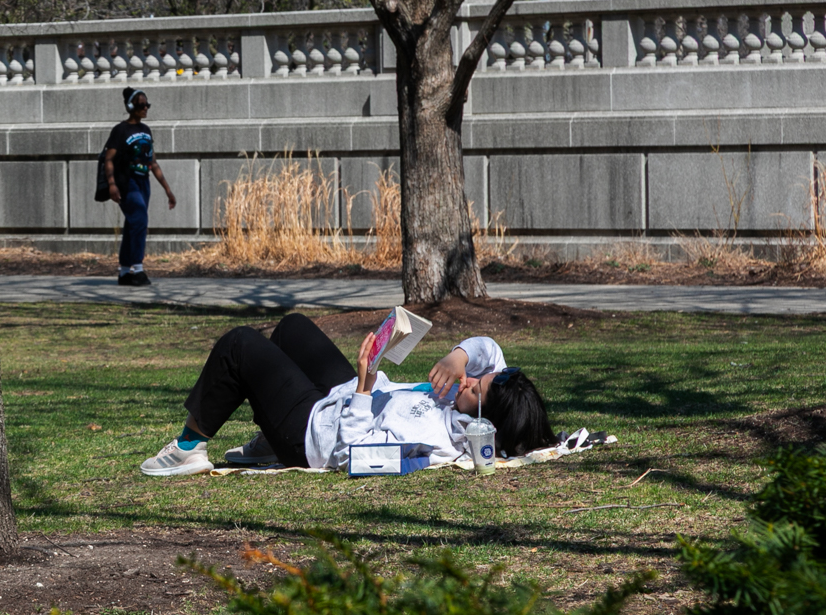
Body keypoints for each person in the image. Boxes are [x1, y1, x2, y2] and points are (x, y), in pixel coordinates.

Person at [140, 313, 557, 476]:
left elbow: (352, 456)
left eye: (475, 388)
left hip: (313, 435)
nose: (467, 381)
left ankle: (188, 448)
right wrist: (459, 355)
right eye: (474, 378)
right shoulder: (464, 403)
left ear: (485, 424)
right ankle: (265, 439)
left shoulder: (430, 444)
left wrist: (363, 387)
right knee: (292, 328)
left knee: (240, 344)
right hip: (342, 397)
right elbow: (492, 352)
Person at [103, 87, 176, 286]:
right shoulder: (120, 130)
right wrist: (112, 185)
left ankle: (125, 272)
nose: (145, 108)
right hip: (126, 182)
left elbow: (152, 162)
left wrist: (167, 189)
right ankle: (138, 268)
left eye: (147, 105)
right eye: (141, 105)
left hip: (144, 182)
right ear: (130, 106)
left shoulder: (145, 130)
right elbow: (108, 159)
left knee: (133, 223)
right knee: (140, 219)